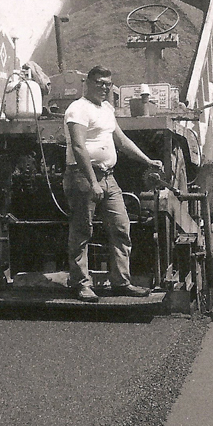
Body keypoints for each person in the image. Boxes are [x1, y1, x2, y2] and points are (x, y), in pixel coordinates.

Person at [63, 66, 164, 303]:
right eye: (99, 82)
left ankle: (121, 281)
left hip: (109, 177)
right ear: (87, 83)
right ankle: (81, 284)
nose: (104, 87)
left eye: (108, 83)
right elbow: (78, 147)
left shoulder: (106, 109)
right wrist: (92, 182)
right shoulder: (77, 109)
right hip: (83, 177)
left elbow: (121, 140)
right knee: (81, 231)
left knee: (121, 227)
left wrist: (147, 160)